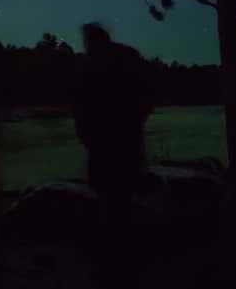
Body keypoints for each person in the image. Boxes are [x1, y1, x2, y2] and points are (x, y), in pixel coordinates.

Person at [72, 23, 153, 286]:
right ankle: (123, 258)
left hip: (107, 142)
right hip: (122, 139)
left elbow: (80, 104)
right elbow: (147, 95)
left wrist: (86, 133)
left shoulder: (91, 65)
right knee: (120, 197)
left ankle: (112, 261)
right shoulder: (128, 58)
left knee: (110, 197)